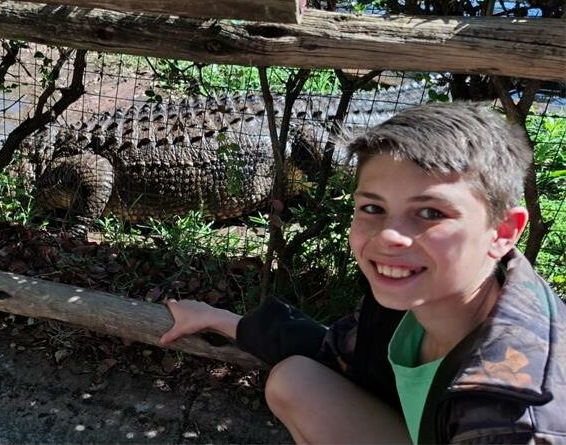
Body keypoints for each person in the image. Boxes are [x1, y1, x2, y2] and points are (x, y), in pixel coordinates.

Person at [160, 102, 566, 443]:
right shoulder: (414, 293)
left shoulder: (516, 416)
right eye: (373, 207)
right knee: (294, 380)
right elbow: (334, 352)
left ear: (503, 232)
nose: (388, 236)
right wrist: (220, 319)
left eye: (430, 213)